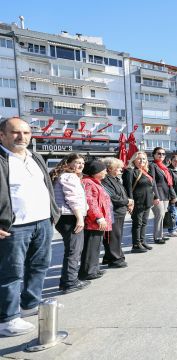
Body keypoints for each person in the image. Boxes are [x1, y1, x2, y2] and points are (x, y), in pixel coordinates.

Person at [0, 117, 60, 336]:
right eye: (16, 132)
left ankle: (29, 305)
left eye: (26, 133)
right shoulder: (1, 159)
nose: (21, 137)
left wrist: (53, 213)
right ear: (2, 135)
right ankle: (7, 319)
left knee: (39, 266)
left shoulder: (35, 157)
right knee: (11, 273)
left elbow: (46, 186)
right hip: (14, 227)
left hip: (42, 222)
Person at [51, 154, 89, 293]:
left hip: (65, 217)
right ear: (68, 163)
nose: (80, 165)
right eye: (77, 162)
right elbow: (72, 198)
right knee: (74, 250)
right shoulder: (69, 176)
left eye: (82, 163)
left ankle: (66, 281)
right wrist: (80, 218)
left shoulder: (62, 175)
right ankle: (70, 282)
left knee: (72, 249)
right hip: (70, 216)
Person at [79, 160, 112, 281]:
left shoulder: (95, 182)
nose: (105, 172)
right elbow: (90, 202)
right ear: (96, 171)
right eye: (103, 170)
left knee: (96, 247)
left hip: (97, 221)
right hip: (93, 222)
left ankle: (94, 268)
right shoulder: (88, 183)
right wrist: (98, 217)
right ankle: (87, 271)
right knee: (90, 247)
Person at [100, 157, 131, 268]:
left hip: (119, 211)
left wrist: (127, 202)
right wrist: (127, 201)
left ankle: (110, 257)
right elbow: (112, 196)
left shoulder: (115, 178)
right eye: (117, 167)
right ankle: (115, 258)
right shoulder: (105, 180)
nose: (120, 169)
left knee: (116, 236)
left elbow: (121, 193)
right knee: (113, 237)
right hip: (113, 212)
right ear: (109, 168)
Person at [123, 151, 156, 252]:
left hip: (147, 201)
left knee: (144, 222)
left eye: (144, 159)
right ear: (134, 160)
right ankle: (136, 244)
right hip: (137, 202)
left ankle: (142, 241)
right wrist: (130, 202)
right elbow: (128, 188)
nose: (142, 161)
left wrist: (154, 198)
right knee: (137, 223)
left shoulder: (145, 170)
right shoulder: (130, 171)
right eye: (139, 158)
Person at [150, 147, 176, 241]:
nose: (161, 155)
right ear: (154, 155)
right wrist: (155, 196)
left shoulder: (164, 167)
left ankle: (160, 234)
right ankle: (157, 237)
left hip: (166, 195)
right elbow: (152, 182)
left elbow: (169, 183)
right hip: (158, 195)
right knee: (159, 215)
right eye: (159, 153)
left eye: (163, 154)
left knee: (163, 215)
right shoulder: (152, 165)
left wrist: (173, 195)